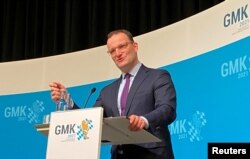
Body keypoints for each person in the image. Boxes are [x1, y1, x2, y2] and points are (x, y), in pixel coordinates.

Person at [49, 29, 177, 159]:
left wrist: (144, 120)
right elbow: (89, 121)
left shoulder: (158, 77)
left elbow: (167, 109)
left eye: (122, 46)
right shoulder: (107, 91)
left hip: (152, 154)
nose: (117, 53)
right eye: (112, 51)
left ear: (135, 46)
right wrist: (66, 98)